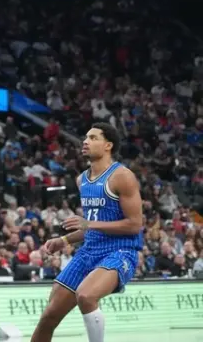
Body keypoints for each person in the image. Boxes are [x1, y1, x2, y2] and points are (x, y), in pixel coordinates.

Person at [31, 123, 143, 342]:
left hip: (120, 251)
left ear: (108, 145)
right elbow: (90, 225)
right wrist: (63, 240)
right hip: (88, 251)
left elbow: (134, 225)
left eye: (93, 138)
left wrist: (88, 225)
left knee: (86, 295)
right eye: (85, 137)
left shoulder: (122, 176)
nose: (85, 141)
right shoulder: (82, 179)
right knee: (49, 316)